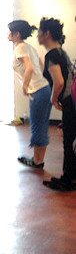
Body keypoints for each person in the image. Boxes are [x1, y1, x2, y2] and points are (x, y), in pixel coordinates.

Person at [36, 18, 75, 191]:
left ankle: (68, 180)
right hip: (72, 100)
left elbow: (59, 82)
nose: (37, 35)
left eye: (39, 32)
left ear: (47, 34)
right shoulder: (61, 52)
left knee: (69, 141)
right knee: (71, 140)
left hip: (69, 102)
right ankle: (70, 176)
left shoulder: (52, 54)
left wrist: (53, 99)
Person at [9, 20, 52, 169]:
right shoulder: (29, 47)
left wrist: (25, 85)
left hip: (38, 91)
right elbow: (41, 65)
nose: (8, 34)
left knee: (37, 126)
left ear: (17, 34)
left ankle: (38, 161)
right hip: (44, 89)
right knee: (41, 125)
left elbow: (30, 68)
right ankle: (38, 159)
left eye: (10, 31)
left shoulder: (20, 47)